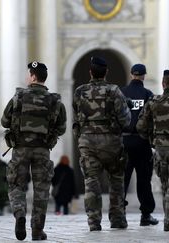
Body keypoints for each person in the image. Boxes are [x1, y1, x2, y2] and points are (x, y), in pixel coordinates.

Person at [1, 61, 66, 241]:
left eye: (28, 73)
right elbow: (61, 128)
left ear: (33, 76)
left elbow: (5, 121)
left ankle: (20, 213)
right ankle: (37, 231)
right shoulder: (55, 100)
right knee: (42, 190)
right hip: (43, 150)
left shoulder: (19, 97)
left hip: (20, 148)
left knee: (16, 185)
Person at [73, 56, 131, 231]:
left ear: (90, 72)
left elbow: (77, 118)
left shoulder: (79, 91)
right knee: (116, 180)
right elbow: (126, 120)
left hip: (88, 142)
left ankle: (93, 221)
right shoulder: (114, 91)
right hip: (111, 142)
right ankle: (117, 218)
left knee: (91, 181)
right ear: (106, 72)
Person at [121, 64, 158, 226]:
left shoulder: (122, 93)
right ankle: (146, 215)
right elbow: (153, 120)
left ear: (131, 75)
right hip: (142, 143)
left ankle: (119, 214)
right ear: (143, 76)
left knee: (121, 179)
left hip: (124, 141)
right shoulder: (148, 94)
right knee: (144, 180)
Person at [137, 70, 169, 231]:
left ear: (163, 83)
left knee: (165, 186)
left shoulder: (154, 101)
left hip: (161, 149)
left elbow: (141, 126)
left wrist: (152, 140)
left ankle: (168, 220)